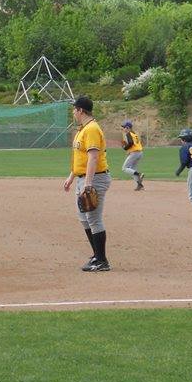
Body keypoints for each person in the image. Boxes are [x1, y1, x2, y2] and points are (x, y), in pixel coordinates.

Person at [63, 96, 111, 272]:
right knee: (84, 218)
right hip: (84, 177)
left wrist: (88, 184)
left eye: (74, 109)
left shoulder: (91, 129)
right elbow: (80, 157)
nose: (73, 112)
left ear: (81, 110)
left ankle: (102, 260)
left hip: (95, 178)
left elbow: (93, 157)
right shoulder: (82, 130)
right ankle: (96, 254)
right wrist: (72, 176)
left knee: (93, 218)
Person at [120, 120, 145, 190]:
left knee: (124, 168)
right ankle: (140, 185)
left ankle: (139, 174)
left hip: (135, 153)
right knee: (132, 170)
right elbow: (135, 144)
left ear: (128, 128)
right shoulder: (134, 134)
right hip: (139, 153)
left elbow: (131, 143)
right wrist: (129, 150)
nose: (123, 129)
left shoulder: (128, 134)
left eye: (124, 127)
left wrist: (125, 147)